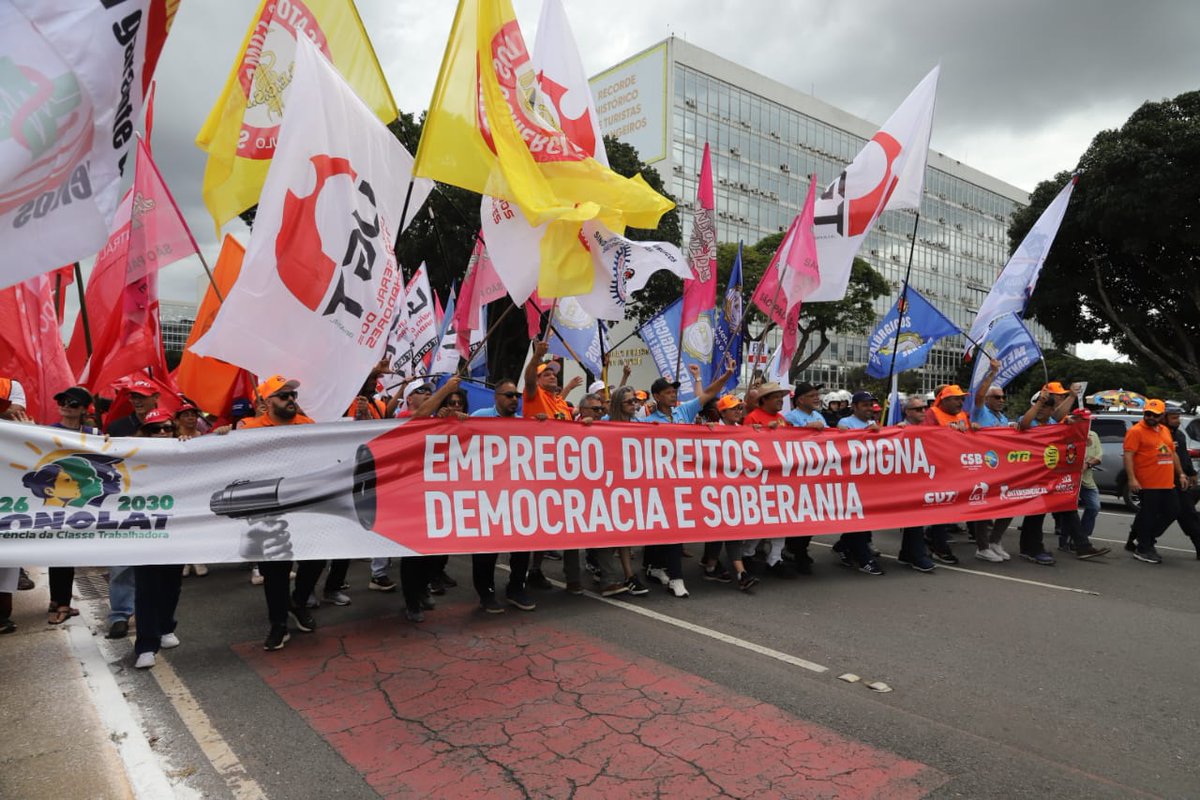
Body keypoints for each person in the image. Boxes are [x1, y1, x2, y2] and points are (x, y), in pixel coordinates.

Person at [636, 359, 736, 598]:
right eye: (668, 392)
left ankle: (664, 571)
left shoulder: (684, 411)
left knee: (674, 529)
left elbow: (709, 393)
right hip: (660, 483)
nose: (673, 395)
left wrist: (726, 375)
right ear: (657, 396)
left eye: (674, 391)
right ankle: (667, 573)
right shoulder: (645, 422)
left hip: (685, 481)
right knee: (665, 527)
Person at [237, 375, 323, 651]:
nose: (290, 400)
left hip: (304, 507)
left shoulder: (308, 425)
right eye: (283, 396)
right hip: (269, 510)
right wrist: (224, 434)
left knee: (317, 558)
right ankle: (278, 624)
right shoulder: (249, 427)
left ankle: (297, 602)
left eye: (293, 396)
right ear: (267, 401)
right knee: (276, 571)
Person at [469, 380, 537, 612]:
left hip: (517, 496)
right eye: (509, 395)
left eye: (517, 395)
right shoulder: (479, 418)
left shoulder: (525, 423)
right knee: (486, 549)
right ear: (496, 397)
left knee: (522, 546)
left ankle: (516, 588)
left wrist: (543, 426)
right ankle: (485, 592)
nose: (514, 399)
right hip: (488, 496)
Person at [131, 410, 185, 668]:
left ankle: (165, 627)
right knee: (146, 588)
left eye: (167, 428)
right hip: (145, 531)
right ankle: (146, 645)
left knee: (172, 584)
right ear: (146, 433)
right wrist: (106, 445)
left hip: (177, 531)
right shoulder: (133, 455)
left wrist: (219, 433)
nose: (162, 433)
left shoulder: (186, 452)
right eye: (155, 429)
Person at [1123, 399, 1185, 564]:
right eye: (1148, 414)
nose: (1150, 417)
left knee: (1173, 510)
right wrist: (1132, 479)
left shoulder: (1164, 430)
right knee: (1148, 515)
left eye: (1155, 415)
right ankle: (1143, 548)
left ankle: (1146, 538)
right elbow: (1128, 456)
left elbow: (1172, 453)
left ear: (1162, 415)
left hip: (1167, 482)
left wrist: (1181, 474)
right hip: (1147, 482)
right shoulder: (1136, 431)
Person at [833, 392, 885, 575]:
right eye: (864, 405)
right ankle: (864, 559)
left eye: (871, 405)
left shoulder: (873, 423)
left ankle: (843, 546)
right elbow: (844, 445)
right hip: (851, 479)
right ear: (854, 407)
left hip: (869, 479)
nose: (869, 408)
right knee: (859, 520)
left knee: (866, 518)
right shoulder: (845, 422)